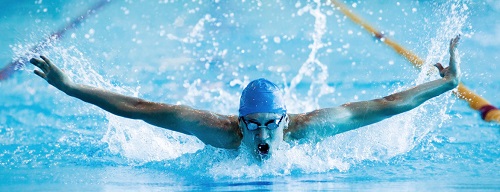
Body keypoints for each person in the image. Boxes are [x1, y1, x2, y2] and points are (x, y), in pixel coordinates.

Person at [29, 35, 461, 160]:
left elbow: (386, 105)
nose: (261, 136)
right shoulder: (218, 133)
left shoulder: (309, 128)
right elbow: (140, 110)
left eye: (270, 123)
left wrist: (445, 83)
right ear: (238, 123)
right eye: (252, 125)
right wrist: (70, 87)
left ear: (285, 119)